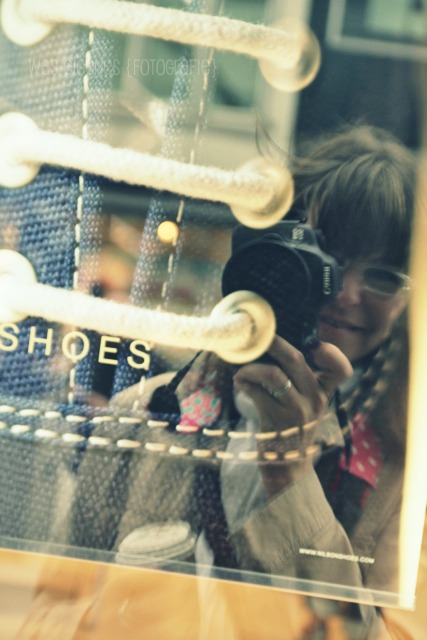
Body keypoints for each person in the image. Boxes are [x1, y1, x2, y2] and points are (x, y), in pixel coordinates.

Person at [77, 124, 416, 638]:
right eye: (326, 258)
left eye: (384, 277)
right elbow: (60, 608)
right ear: (269, 250)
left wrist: (290, 472)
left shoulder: (409, 477)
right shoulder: (144, 414)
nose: (346, 293)